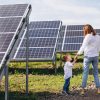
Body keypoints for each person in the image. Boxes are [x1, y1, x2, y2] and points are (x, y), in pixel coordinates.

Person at [75, 24, 100, 95]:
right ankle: (98, 89)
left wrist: (78, 54)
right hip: (95, 56)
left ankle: (83, 90)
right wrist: (96, 53)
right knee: (95, 73)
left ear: (86, 30)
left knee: (85, 73)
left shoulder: (87, 36)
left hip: (88, 57)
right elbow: (99, 47)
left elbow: (83, 46)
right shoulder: (98, 36)